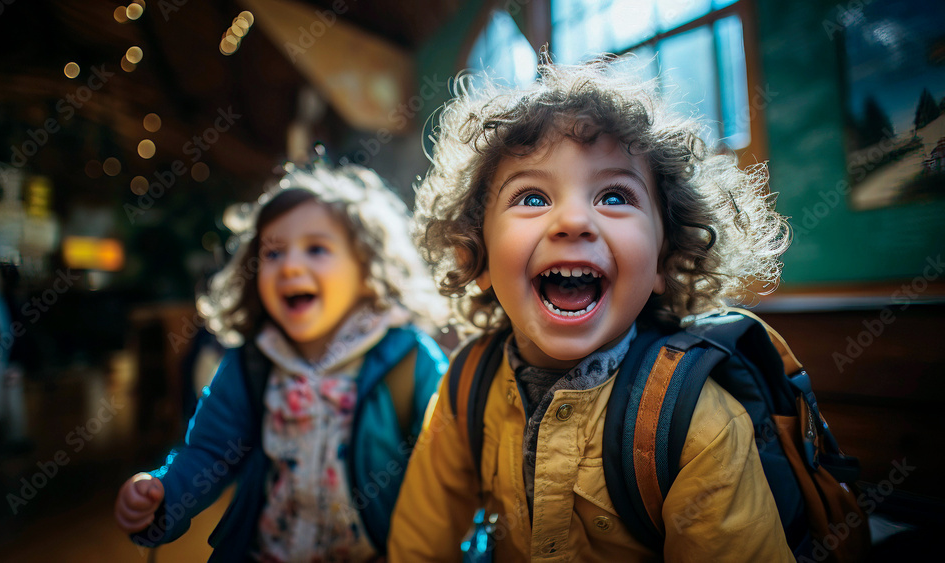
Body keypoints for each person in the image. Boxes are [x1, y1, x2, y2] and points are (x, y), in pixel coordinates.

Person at [389, 56, 793, 561]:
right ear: (479, 254)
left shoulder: (698, 425)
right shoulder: (465, 386)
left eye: (615, 196)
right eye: (532, 197)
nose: (573, 220)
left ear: (666, 257)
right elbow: (418, 545)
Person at [114, 161, 449, 562]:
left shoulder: (409, 361)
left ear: (368, 269)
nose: (290, 265)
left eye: (317, 249)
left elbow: (451, 460)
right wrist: (163, 495)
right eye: (273, 252)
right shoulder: (252, 364)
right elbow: (210, 452)